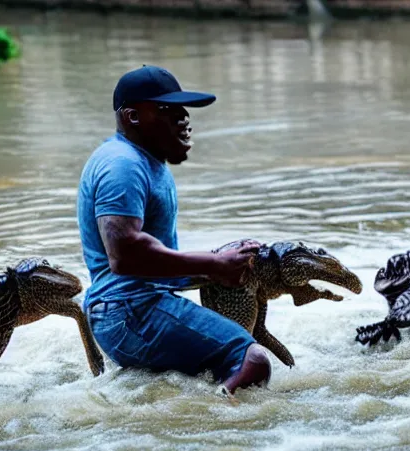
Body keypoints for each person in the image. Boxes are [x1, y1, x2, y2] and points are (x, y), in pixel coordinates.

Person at [77, 65, 271, 396]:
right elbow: (124, 253)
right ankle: (218, 436)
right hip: (132, 311)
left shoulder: (144, 161)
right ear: (132, 116)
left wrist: (219, 261)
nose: (183, 118)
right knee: (251, 360)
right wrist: (211, 264)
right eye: (168, 110)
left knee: (202, 379)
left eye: (184, 110)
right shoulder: (122, 165)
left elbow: (150, 262)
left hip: (128, 311)